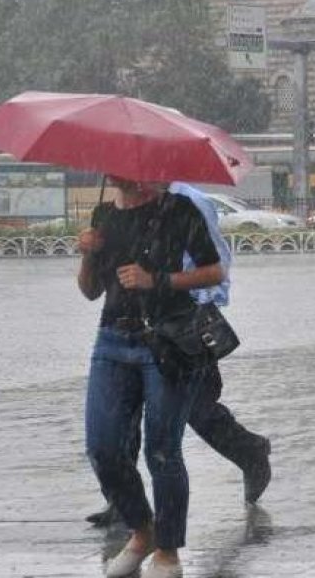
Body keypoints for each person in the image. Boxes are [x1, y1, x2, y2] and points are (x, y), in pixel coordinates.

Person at [86, 182, 272, 528]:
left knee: (198, 410)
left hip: (183, 330)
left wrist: (188, 318)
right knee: (124, 414)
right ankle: (122, 501)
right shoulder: (118, 205)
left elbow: (217, 265)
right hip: (136, 329)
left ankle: (249, 450)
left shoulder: (188, 203)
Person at [78, 177, 222, 578]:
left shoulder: (178, 210)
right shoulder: (103, 215)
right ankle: (143, 532)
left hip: (167, 341)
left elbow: (213, 271)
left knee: (162, 450)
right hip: (111, 341)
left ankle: (168, 551)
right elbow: (90, 291)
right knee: (103, 448)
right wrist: (87, 254)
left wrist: (155, 280)